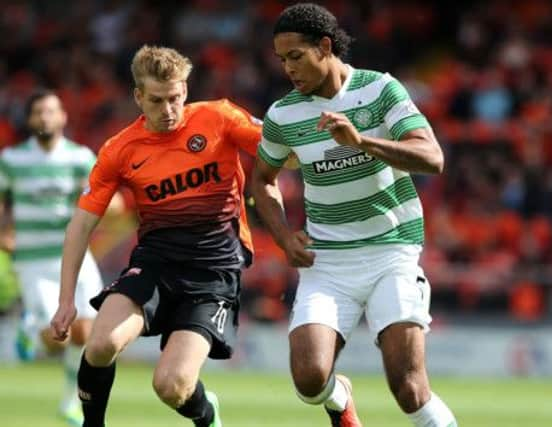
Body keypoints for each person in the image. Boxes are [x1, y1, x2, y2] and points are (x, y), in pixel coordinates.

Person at [251, 4, 457, 427]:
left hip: (391, 252)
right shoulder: (283, 115)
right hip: (327, 261)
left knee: (409, 390)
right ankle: (339, 397)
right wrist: (284, 236)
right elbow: (262, 180)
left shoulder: (381, 90)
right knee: (309, 380)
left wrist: (361, 140)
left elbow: (432, 157)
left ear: (325, 46)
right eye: (282, 59)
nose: (288, 68)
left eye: (296, 56)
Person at [50, 45, 261, 427]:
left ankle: (206, 413)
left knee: (171, 386)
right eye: (158, 100)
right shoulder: (120, 149)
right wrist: (67, 301)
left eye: (176, 98)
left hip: (213, 272)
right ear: (138, 97)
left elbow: (278, 149)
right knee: (100, 344)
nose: (169, 110)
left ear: (186, 90)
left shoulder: (220, 117)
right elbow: (81, 225)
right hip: (156, 263)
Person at [0, 90, 106, 426]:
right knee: (56, 338)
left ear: (63, 117)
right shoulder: (11, 160)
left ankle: (69, 402)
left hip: (74, 255)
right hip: (32, 258)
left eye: (52, 111)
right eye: (39, 112)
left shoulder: (79, 157)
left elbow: (97, 198)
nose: (46, 117)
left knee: (85, 332)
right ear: (30, 119)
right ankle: (30, 328)